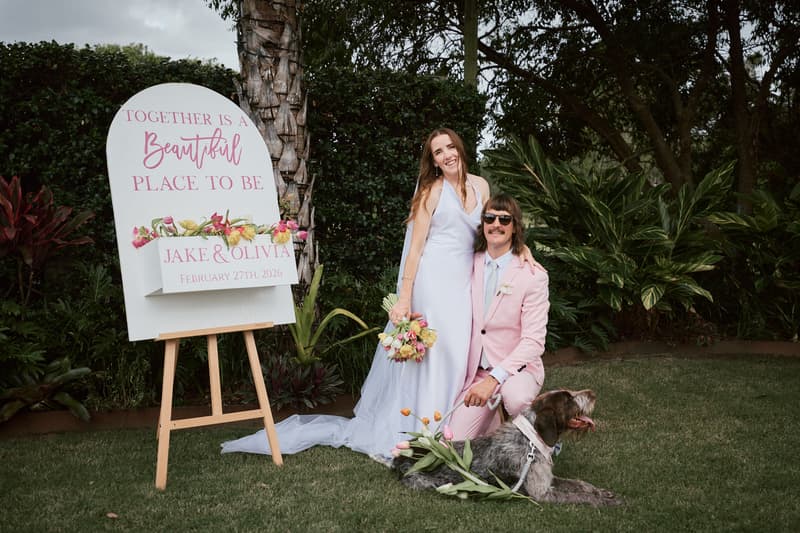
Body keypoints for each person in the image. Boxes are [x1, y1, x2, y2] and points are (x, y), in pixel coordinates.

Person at [221, 127, 490, 460]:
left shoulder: (481, 186)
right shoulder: (431, 192)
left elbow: (490, 236)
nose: (447, 154)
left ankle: (454, 427)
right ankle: (425, 431)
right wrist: (405, 298)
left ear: (460, 148)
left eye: (450, 147)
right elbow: (415, 250)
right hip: (432, 283)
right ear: (432, 161)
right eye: (438, 152)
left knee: (458, 352)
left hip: (466, 282)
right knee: (435, 356)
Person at [448, 193, 550, 440]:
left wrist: (495, 378)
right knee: (455, 442)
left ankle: (547, 437)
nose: (496, 224)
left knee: (516, 398)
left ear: (515, 227)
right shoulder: (468, 263)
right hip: (478, 371)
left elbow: (534, 342)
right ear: (482, 224)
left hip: (518, 371)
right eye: (490, 218)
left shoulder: (533, 275)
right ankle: (494, 420)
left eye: (505, 220)